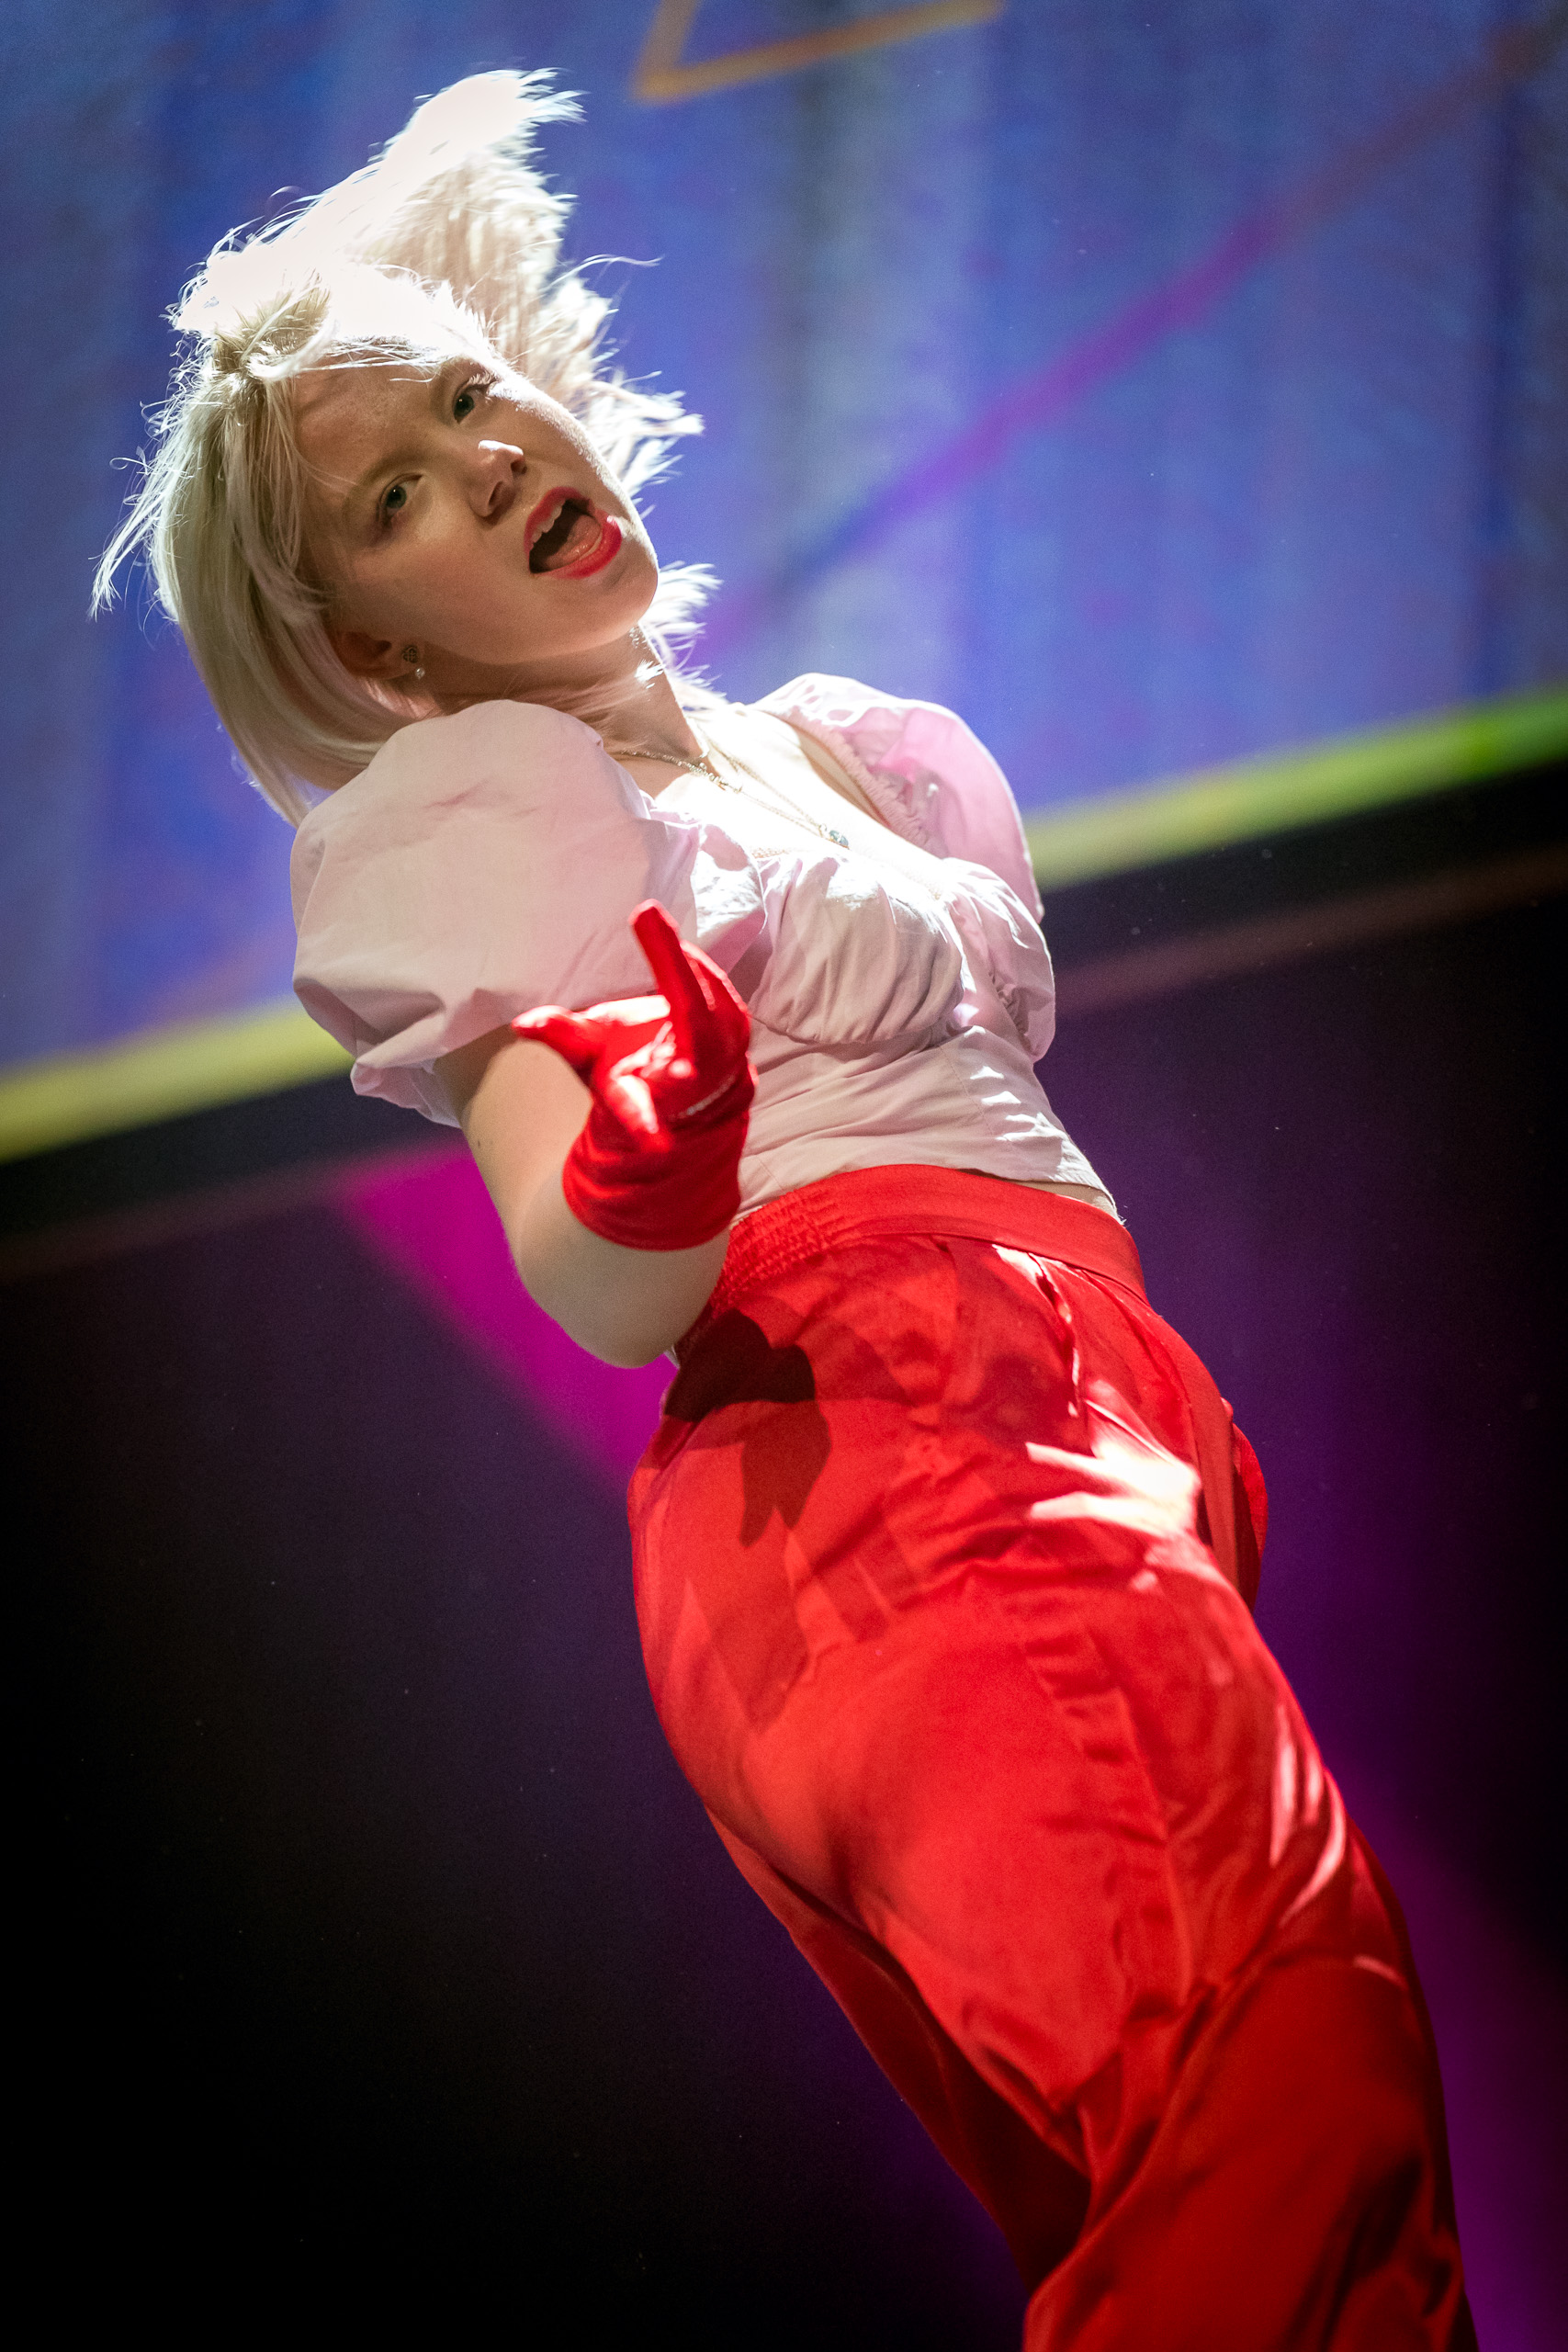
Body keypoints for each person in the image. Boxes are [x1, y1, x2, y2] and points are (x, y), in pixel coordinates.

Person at [96, 72, 1474, 2349]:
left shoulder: (849, 757)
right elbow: (593, 1274)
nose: (483, 464)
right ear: (381, 657)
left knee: (1257, 2203)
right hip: (879, 1451)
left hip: (1056, 1425)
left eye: (469, 401)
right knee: (1285, 2061)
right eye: (397, 498)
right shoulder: (499, 800)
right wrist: (639, 1158)